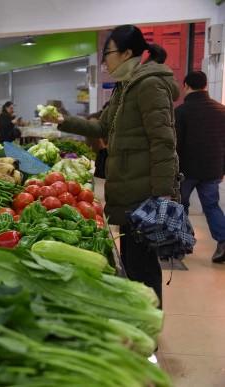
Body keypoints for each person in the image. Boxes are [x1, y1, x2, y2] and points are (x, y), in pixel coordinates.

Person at [58, 25, 180, 305]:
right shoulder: (125, 86)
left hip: (144, 194)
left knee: (143, 269)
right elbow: (102, 125)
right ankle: (142, 322)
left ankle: (148, 328)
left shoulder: (148, 85)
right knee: (132, 264)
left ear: (126, 53)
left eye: (108, 54)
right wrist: (62, 121)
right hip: (128, 189)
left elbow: (164, 141)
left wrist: (163, 196)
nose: (105, 62)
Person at [175, 71, 225, 263]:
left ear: (185, 85)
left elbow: (176, 145)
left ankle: (182, 242)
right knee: (212, 206)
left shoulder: (181, 112)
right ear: (205, 86)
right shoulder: (221, 110)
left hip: (186, 170)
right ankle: (223, 241)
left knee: (181, 205)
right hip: (212, 168)